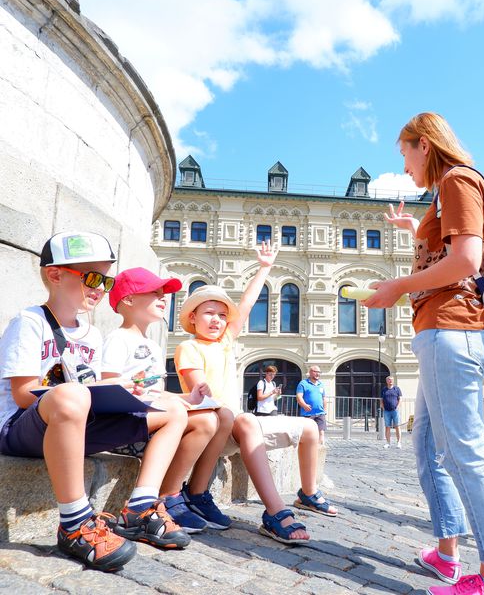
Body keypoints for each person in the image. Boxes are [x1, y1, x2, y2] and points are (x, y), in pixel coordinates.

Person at [366, 112, 484, 595]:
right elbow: (447, 250)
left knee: (463, 453)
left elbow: (466, 261)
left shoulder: (456, 180)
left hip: (455, 329)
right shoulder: (447, 192)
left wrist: (398, 287)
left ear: (424, 145)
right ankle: (448, 555)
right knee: (429, 448)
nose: (405, 165)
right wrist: (419, 226)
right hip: (445, 330)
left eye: (405, 153)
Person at [0, 232, 190, 572]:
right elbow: (22, 393)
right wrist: (76, 393)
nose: (100, 288)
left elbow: (93, 387)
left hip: (76, 423)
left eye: (106, 279)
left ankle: (141, 506)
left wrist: (122, 390)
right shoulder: (30, 322)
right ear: (56, 275)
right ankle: (74, 522)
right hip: (22, 428)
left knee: (173, 409)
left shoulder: (91, 334)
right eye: (91, 277)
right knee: (71, 395)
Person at [175, 242, 337, 546]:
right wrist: (201, 387)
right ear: (192, 318)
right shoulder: (188, 347)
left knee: (310, 428)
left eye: (222, 315)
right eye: (209, 313)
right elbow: (198, 386)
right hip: (212, 427)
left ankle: (308, 493)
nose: (217, 320)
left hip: (234, 426)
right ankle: (276, 513)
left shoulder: (224, 343)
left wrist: (264, 267)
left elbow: (246, 305)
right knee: (246, 420)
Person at [102, 267, 231, 534]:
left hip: (152, 420)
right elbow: (108, 386)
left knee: (209, 418)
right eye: (155, 293)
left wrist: (187, 397)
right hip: (128, 425)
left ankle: (172, 495)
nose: (164, 298)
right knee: (204, 420)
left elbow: (155, 392)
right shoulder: (118, 339)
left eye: (164, 294)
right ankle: (167, 496)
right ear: (128, 299)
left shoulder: (153, 345)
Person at [296, 366, 327, 446]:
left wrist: (324, 410)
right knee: (307, 434)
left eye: (319, 372)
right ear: (310, 372)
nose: (318, 374)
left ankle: (320, 450)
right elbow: (299, 397)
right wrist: (304, 405)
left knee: (321, 433)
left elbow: (324, 398)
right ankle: (306, 450)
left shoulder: (321, 384)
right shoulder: (303, 383)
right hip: (308, 414)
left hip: (320, 413)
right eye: (315, 371)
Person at [380, 375, 403, 449]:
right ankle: (388, 443)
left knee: (397, 426)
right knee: (387, 427)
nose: (390, 381)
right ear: (387, 381)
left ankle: (399, 442)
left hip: (395, 410)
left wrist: (397, 407)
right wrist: (383, 407)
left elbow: (400, 399)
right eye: (389, 380)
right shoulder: (384, 389)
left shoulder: (397, 389)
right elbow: (381, 400)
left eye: (392, 380)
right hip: (387, 411)